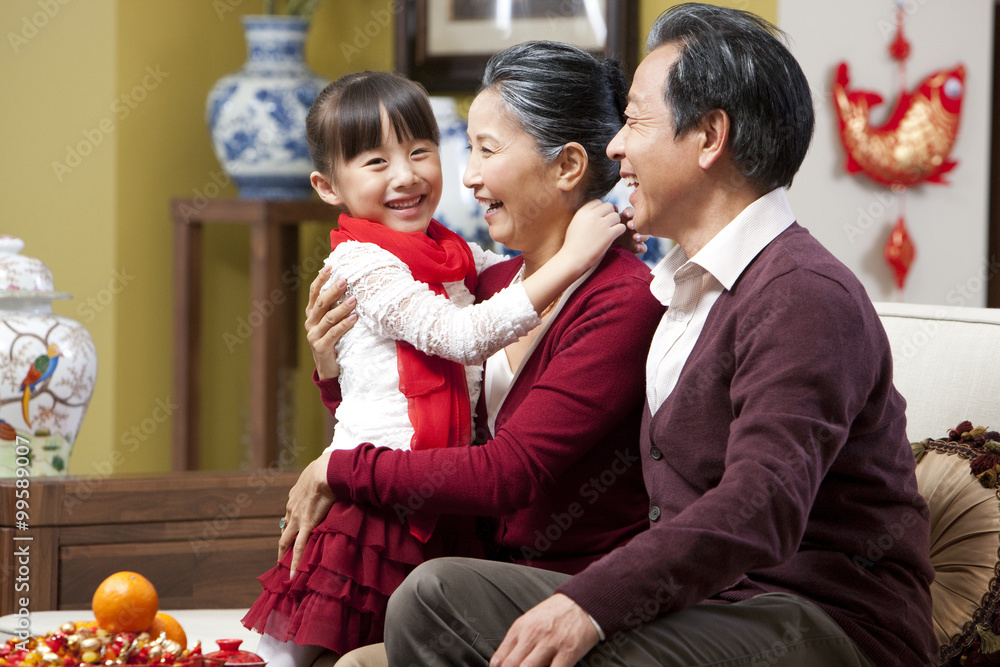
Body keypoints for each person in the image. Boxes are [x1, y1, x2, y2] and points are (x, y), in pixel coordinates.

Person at [383, 5, 938, 667]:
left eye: (637, 119)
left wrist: (592, 602)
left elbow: (762, 502)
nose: (615, 146)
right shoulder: (678, 290)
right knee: (436, 593)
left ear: (709, 136)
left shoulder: (802, 293)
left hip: (825, 623)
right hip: (709, 607)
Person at [240, 69, 629, 665]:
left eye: (426, 151)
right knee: (304, 652)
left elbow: (504, 469)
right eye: (375, 162)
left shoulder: (472, 266)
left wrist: (336, 467)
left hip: (494, 552)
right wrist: (330, 369)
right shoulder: (392, 266)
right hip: (391, 512)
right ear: (328, 185)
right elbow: (414, 375)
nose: (415, 174)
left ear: (569, 166)